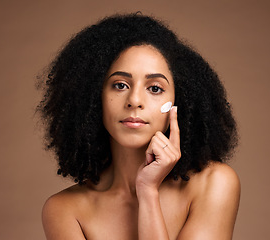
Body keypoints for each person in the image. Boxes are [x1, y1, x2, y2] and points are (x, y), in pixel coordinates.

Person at [37, 13, 240, 240]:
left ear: (178, 102)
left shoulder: (214, 184)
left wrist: (147, 192)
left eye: (155, 88)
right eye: (120, 85)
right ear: (94, 98)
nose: (135, 100)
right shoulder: (65, 210)